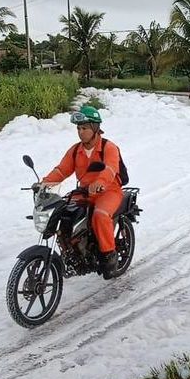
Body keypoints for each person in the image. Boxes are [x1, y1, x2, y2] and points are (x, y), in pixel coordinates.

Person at [41, 105, 123, 278]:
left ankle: (109, 256)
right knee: (62, 212)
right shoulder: (75, 150)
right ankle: (72, 254)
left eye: (84, 128)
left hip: (109, 190)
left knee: (100, 215)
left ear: (94, 128)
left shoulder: (109, 147)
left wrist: (100, 182)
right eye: (78, 128)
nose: (80, 132)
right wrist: (45, 183)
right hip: (85, 191)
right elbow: (62, 170)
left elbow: (110, 169)